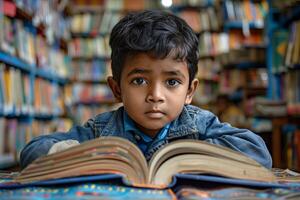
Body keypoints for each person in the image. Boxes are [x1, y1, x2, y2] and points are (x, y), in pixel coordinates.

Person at [20, 10, 272, 169]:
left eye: (172, 82)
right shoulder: (101, 129)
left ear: (190, 91)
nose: (156, 95)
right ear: (116, 89)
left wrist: (189, 158)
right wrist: (87, 155)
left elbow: (258, 153)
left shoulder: (199, 124)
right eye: (139, 81)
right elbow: (32, 152)